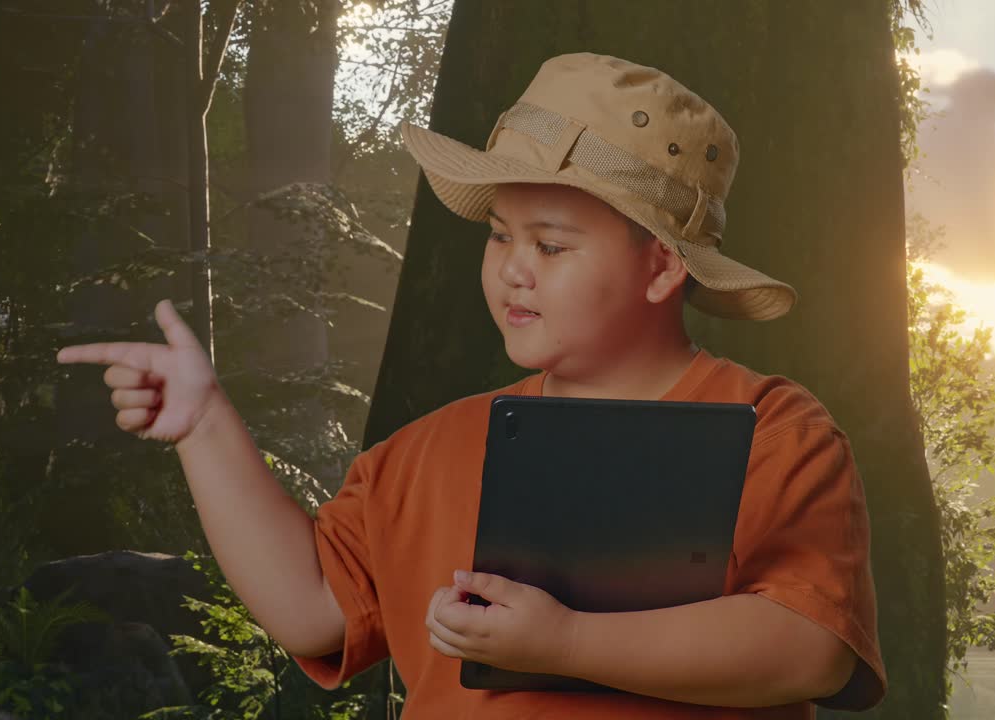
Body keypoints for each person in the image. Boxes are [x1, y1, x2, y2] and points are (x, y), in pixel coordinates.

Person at [57, 52, 887, 718]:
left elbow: (810, 647)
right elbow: (313, 609)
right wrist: (204, 425)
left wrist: (564, 643)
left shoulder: (769, 428)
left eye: (553, 246)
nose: (513, 272)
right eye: (499, 238)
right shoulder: (430, 449)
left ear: (662, 265)